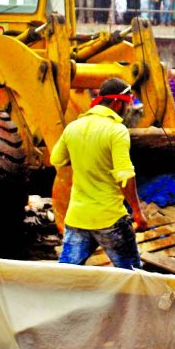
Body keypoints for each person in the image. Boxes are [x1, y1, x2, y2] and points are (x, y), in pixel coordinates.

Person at [51, 78, 146, 269]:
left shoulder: (73, 127)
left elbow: (56, 159)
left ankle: (57, 299)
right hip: (110, 219)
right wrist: (137, 211)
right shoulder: (117, 131)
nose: (128, 109)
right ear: (117, 103)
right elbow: (125, 176)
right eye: (127, 104)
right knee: (132, 276)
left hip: (77, 217)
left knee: (64, 276)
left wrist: (83, 157)